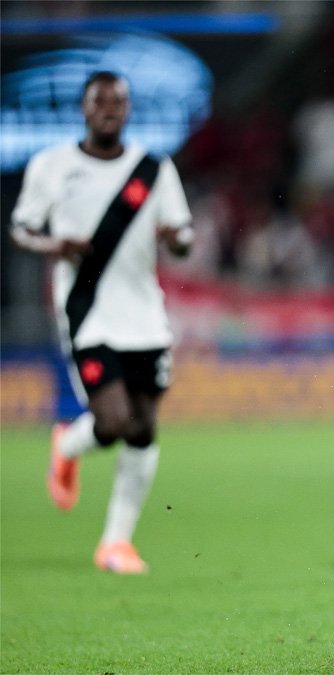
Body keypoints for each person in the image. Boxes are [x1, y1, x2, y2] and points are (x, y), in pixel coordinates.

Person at [9, 71, 194, 575]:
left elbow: (183, 235)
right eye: (100, 101)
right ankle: (68, 444)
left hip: (144, 314)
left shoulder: (153, 169)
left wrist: (177, 239)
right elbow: (22, 228)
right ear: (84, 108)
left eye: (119, 102)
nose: (110, 109)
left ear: (129, 110)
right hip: (86, 312)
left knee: (144, 425)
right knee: (113, 422)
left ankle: (116, 543)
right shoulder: (53, 166)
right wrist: (54, 245)